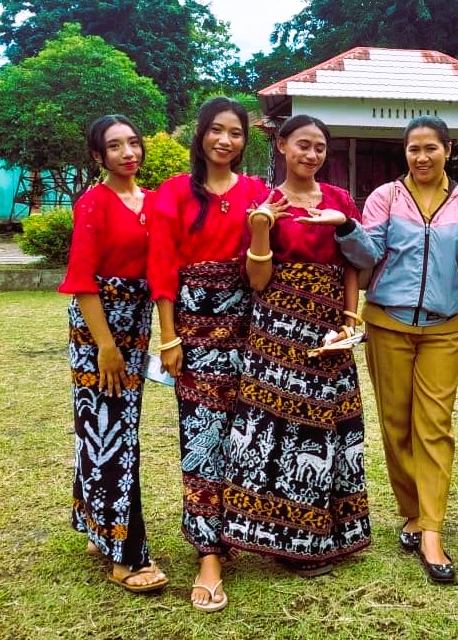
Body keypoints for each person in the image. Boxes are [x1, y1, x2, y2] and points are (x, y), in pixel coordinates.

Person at [304, 115, 458, 584]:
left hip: (443, 328)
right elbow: (368, 255)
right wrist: (347, 227)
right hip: (387, 323)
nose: (422, 156)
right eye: (414, 149)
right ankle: (411, 511)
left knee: (434, 427)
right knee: (396, 424)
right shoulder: (385, 198)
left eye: (431, 148)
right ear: (405, 152)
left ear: (448, 150)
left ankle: (431, 529)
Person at [220, 115, 371, 574]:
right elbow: (257, 281)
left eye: (320, 148)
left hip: (328, 329)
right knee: (277, 429)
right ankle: (283, 538)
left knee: (330, 427)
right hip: (277, 329)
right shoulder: (265, 202)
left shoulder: (340, 200)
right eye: (303, 145)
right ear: (282, 145)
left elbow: (353, 265)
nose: (312, 155)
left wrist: (349, 320)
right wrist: (261, 227)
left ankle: (332, 533)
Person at [148, 97, 268, 611]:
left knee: (248, 436)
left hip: (250, 329)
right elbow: (162, 266)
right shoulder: (174, 192)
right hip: (193, 331)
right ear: (200, 135)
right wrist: (169, 337)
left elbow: (265, 268)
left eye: (236, 133)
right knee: (202, 439)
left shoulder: (257, 192)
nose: (226, 140)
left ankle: (245, 532)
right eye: (217, 130)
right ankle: (208, 554)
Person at [59, 114, 168, 593]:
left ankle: (94, 523)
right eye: (116, 146)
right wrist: (105, 346)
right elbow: (82, 280)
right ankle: (125, 554)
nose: (129, 153)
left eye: (134, 143)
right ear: (98, 156)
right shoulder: (93, 203)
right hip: (97, 331)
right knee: (108, 434)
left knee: (114, 428)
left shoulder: (154, 202)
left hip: (137, 327)